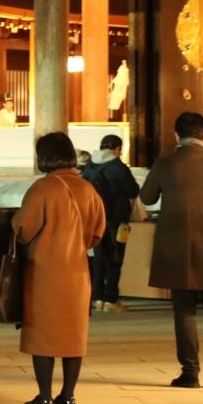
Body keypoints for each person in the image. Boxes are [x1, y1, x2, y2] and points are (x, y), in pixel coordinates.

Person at [140, 111, 203, 390]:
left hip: (177, 251)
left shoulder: (165, 164)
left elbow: (147, 197)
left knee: (184, 312)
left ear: (177, 135)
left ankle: (190, 373)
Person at [13, 132, 105, 404]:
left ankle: (44, 397)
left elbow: (23, 228)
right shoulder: (88, 189)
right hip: (78, 271)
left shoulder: (43, 188)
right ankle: (68, 397)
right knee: (73, 333)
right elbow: (98, 232)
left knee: (43, 333)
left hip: (44, 272)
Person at [81, 134, 140, 312]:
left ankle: (98, 297)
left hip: (95, 219)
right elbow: (133, 190)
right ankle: (111, 299)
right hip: (117, 219)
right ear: (117, 149)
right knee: (115, 257)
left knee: (99, 258)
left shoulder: (89, 166)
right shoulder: (119, 168)